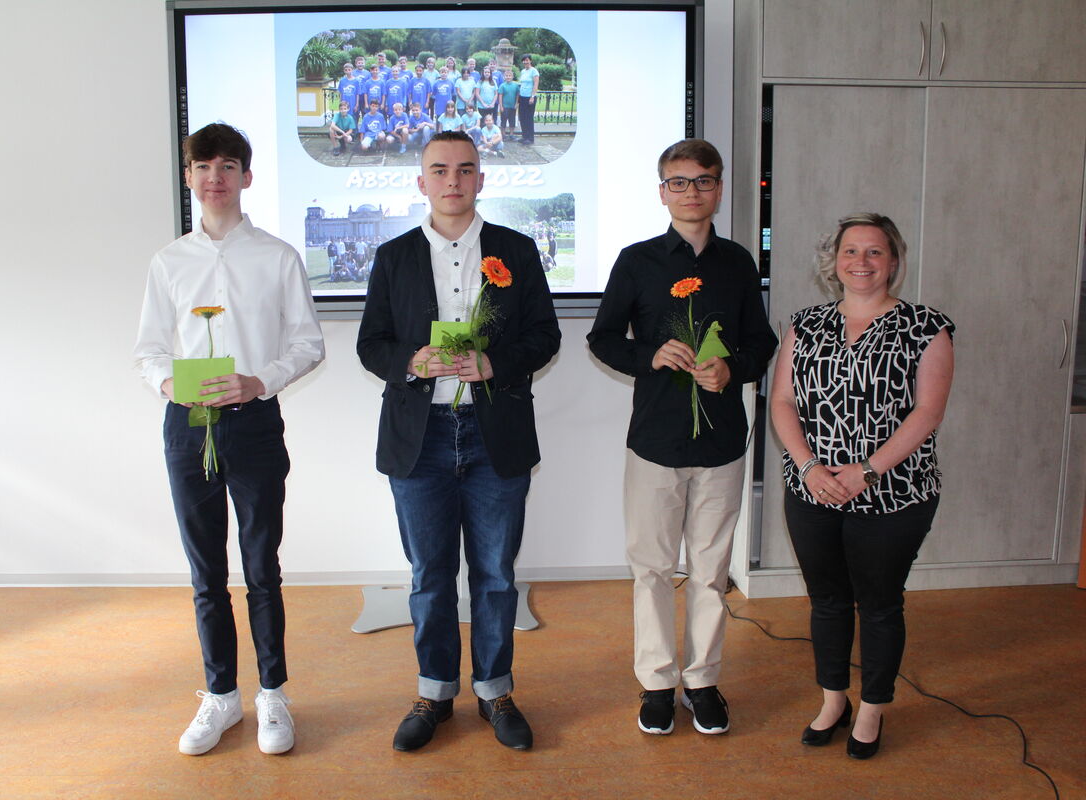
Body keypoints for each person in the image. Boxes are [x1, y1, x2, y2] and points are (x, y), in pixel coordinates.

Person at [357, 131, 561, 753]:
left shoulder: (516, 250)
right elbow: (371, 344)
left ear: (481, 179)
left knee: (496, 574)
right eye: (440, 170)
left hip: (493, 434)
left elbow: (544, 336)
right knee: (430, 574)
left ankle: (495, 691)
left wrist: (495, 363)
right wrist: (410, 362)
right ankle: (435, 692)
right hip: (418, 440)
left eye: (465, 170)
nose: (453, 181)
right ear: (421, 182)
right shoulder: (393, 256)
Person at [133, 123, 325, 756]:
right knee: (206, 571)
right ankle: (220, 695)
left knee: (262, 567)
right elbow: (148, 350)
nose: (214, 178)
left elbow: (308, 344)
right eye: (203, 166)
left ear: (247, 176)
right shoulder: (169, 261)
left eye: (227, 166)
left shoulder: (278, 257)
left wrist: (258, 381)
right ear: (189, 176)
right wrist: (169, 385)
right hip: (188, 425)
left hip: (254, 421)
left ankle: (273, 693)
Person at [587, 139, 777, 738]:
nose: (691, 192)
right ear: (662, 191)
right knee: (651, 568)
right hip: (655, 441)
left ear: (719, 189)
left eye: (703, 181)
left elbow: (762, 342)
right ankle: (656, 683)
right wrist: (650, 355)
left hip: (722, 442)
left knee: (711, 569)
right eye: (679, 182)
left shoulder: (738, 262)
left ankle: (702, 681)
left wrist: (733, 369)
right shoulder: (637, 261)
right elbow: (602, 338)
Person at [769, 213, 955, 760]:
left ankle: (872, 707)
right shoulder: (805, 325)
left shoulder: (926, 327)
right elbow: (782, 402)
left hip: (894, 493)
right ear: (835, 261)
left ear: (893, 261)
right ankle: (834, 700)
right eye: (851, 251)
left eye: (875, 252)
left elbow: (928, 413)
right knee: (827, 601)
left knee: (878, 604)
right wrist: (809, 468)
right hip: (813, 490)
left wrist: (866, 471)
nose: (862, 262)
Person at [517, 55, 540, 145]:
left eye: (527, 60)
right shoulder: (523, 71)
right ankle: (524, 136)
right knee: (522, 117)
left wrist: (532, 96)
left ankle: (530, 138)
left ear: (530, 61)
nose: (525, 62)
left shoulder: (534, 71)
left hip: (530, 98)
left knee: (529, 118)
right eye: (524, 60)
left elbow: (536, 84)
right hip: (522, 97)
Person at [498, 69, 520, 141]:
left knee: (512, 121)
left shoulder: (515, 86)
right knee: (503, 121)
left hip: (512, 107)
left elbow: (517, 95)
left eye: (509, 76)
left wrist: (516, 103)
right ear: (504, 77)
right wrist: (501, 106)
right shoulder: (502, 86)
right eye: (506, 76)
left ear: (512, 77)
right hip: (504, 107)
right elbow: (500, 96)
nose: (508, 77)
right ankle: (503, 135)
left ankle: (511, 134)